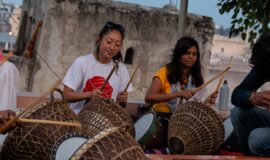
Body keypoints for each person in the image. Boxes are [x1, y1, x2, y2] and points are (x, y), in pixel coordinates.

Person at [63, 21, 133, 114]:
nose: (112, 48)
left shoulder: (121, 69)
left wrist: (123, 101)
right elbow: (66, 96)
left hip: (105, 125)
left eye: (117, 44)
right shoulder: (82, 63)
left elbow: (121, 106)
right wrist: (89, 94)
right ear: (99, 40)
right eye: (109, 42)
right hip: (78, 121)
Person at [145, 36, 217, 113]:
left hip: (184, 120)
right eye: (187, 53)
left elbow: (194, 106)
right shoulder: (164, 72)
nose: (191, 57)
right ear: (179, 56)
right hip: (161, 117)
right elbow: (149, 97)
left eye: (194, 54)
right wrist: (179, 94)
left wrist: (206, 103)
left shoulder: (196, 77)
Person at [231, 32, 270, 156]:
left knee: (257, 139)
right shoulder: (265, 62)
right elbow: (237, 94)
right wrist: (253, 97)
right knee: (237, 113)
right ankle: (248, 157)